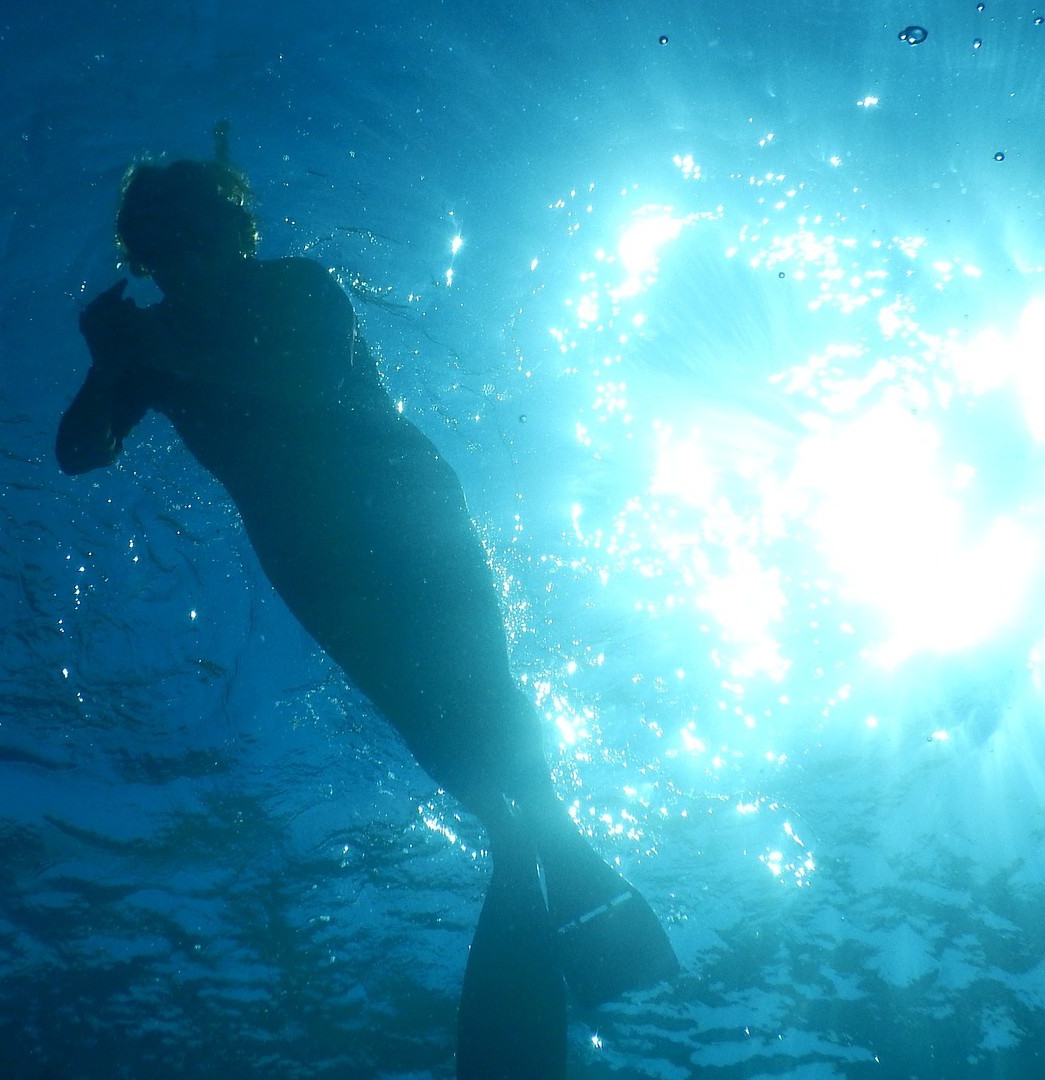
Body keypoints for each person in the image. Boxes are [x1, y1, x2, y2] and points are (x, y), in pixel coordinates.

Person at [56, 125, 678, 1078]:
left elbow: (300, 379)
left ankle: (562, 866)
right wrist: (110, 363)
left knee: (488, 699)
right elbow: (79, 453)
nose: (197, 256)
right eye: (170, 241)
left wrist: (142, 349)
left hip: (405, 514)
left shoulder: (295, 288)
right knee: (448, 744)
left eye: (209, 230)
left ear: (241, 234)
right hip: (314, 562)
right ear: (147, 255)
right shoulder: (151, 351)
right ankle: (538, 872)